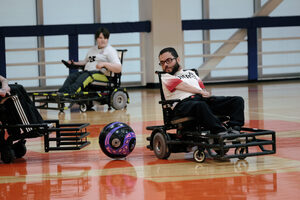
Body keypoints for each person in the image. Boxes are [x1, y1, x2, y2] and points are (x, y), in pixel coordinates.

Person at [158, 47, 245, 136]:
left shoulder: (191, 73)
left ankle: (235, 128)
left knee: (237, 100)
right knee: (200, 105)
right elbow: (182, 86)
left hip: (201, 100)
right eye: (162, 62)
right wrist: (200, 92)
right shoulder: (165, 77)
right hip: (182, 105)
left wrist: (205, 94)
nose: (165, 65)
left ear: (178, 59)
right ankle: (220, 131)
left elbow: (202, 89)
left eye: (168, 60)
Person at [58, 27, 122, 94]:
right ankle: (60, 92)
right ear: (96, 38)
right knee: (72, 76)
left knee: (85, 77)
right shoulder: (92, 49)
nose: (103, 40)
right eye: (100, 38)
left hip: (103, 75)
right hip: (88, 72)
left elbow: (118, 68)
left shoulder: (110, 51)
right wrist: (74, 63)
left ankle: (70, 93)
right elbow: (85, 62)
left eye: (105, 38)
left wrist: (104, 64)